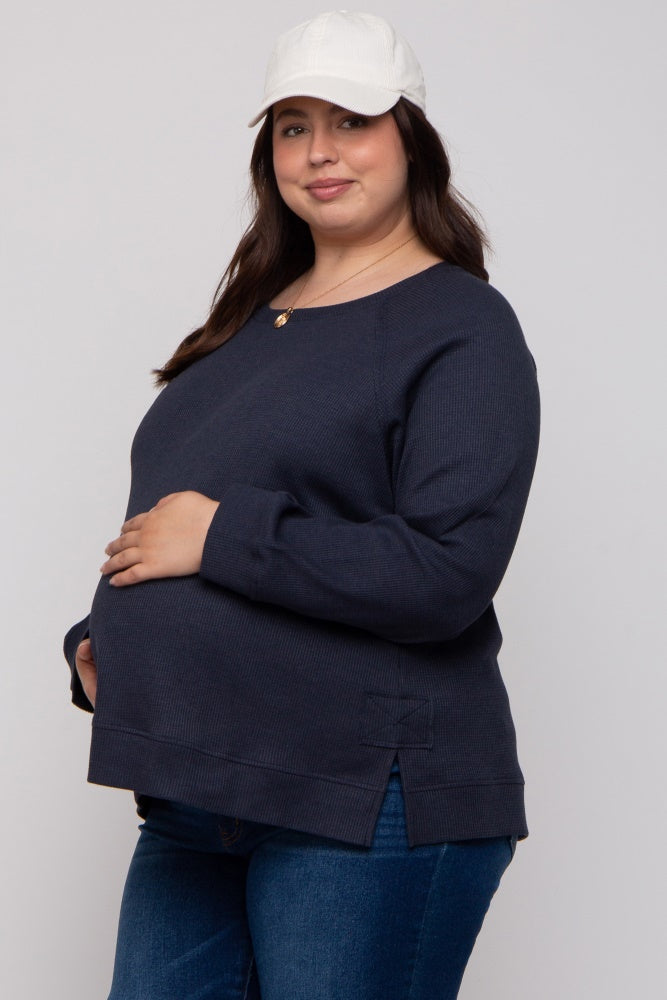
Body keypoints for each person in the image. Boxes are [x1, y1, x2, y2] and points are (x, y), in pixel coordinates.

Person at [64, 11, 540, 1000]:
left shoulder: (462, 325)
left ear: (410, 138)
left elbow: (445, 572)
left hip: (367, 800)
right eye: (292, 126)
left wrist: (224, 536)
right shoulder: (246, 323)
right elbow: (166, 527)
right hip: (200, 791)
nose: (318, 151)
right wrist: (101, 642)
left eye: (350, 121)